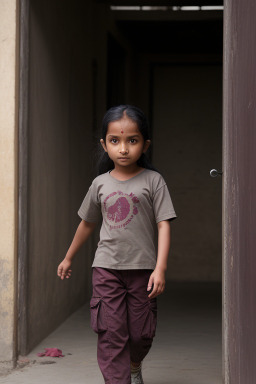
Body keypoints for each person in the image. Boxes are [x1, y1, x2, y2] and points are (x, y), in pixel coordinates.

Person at [57, 105, 177, 384]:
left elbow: (164, 225)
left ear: (145, 144)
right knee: (112, 333)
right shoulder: (99, 184)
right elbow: (87, 223)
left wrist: (160, 269)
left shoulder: (154, 181)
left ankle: (134, 365)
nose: (123, 148)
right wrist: (68, 257)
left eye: (132, 141)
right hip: (106, 268)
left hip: (143, 270)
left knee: (140, 333)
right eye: (115, 141)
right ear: (104, 145)